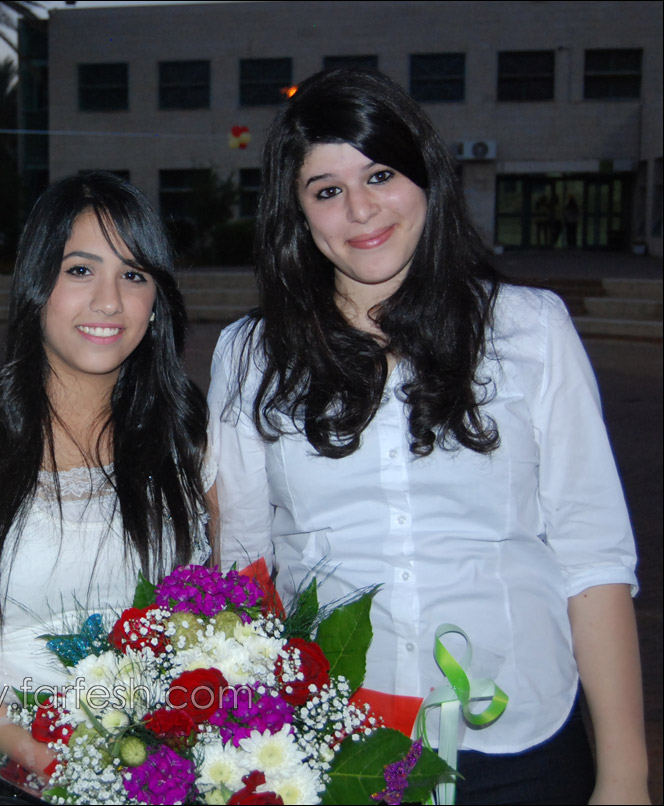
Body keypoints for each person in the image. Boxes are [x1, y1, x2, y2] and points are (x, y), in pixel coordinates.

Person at [208, 69, 647, 805]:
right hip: (337, 745)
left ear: (426, 177)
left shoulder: (530, 328)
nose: (361, 209)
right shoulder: (251, 355)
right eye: (327, 190)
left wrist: (626, 775)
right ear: (297, 213)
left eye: (380, 174)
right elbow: (243, 564)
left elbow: (594, 554)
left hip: (524, 732)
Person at [0, 172, 213, 778]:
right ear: (36, 283)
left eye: (133, 275)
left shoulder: (185, 436)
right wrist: (24, 750)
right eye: (79, 270)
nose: (108, 301)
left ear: (156, 301)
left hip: (155, 774)